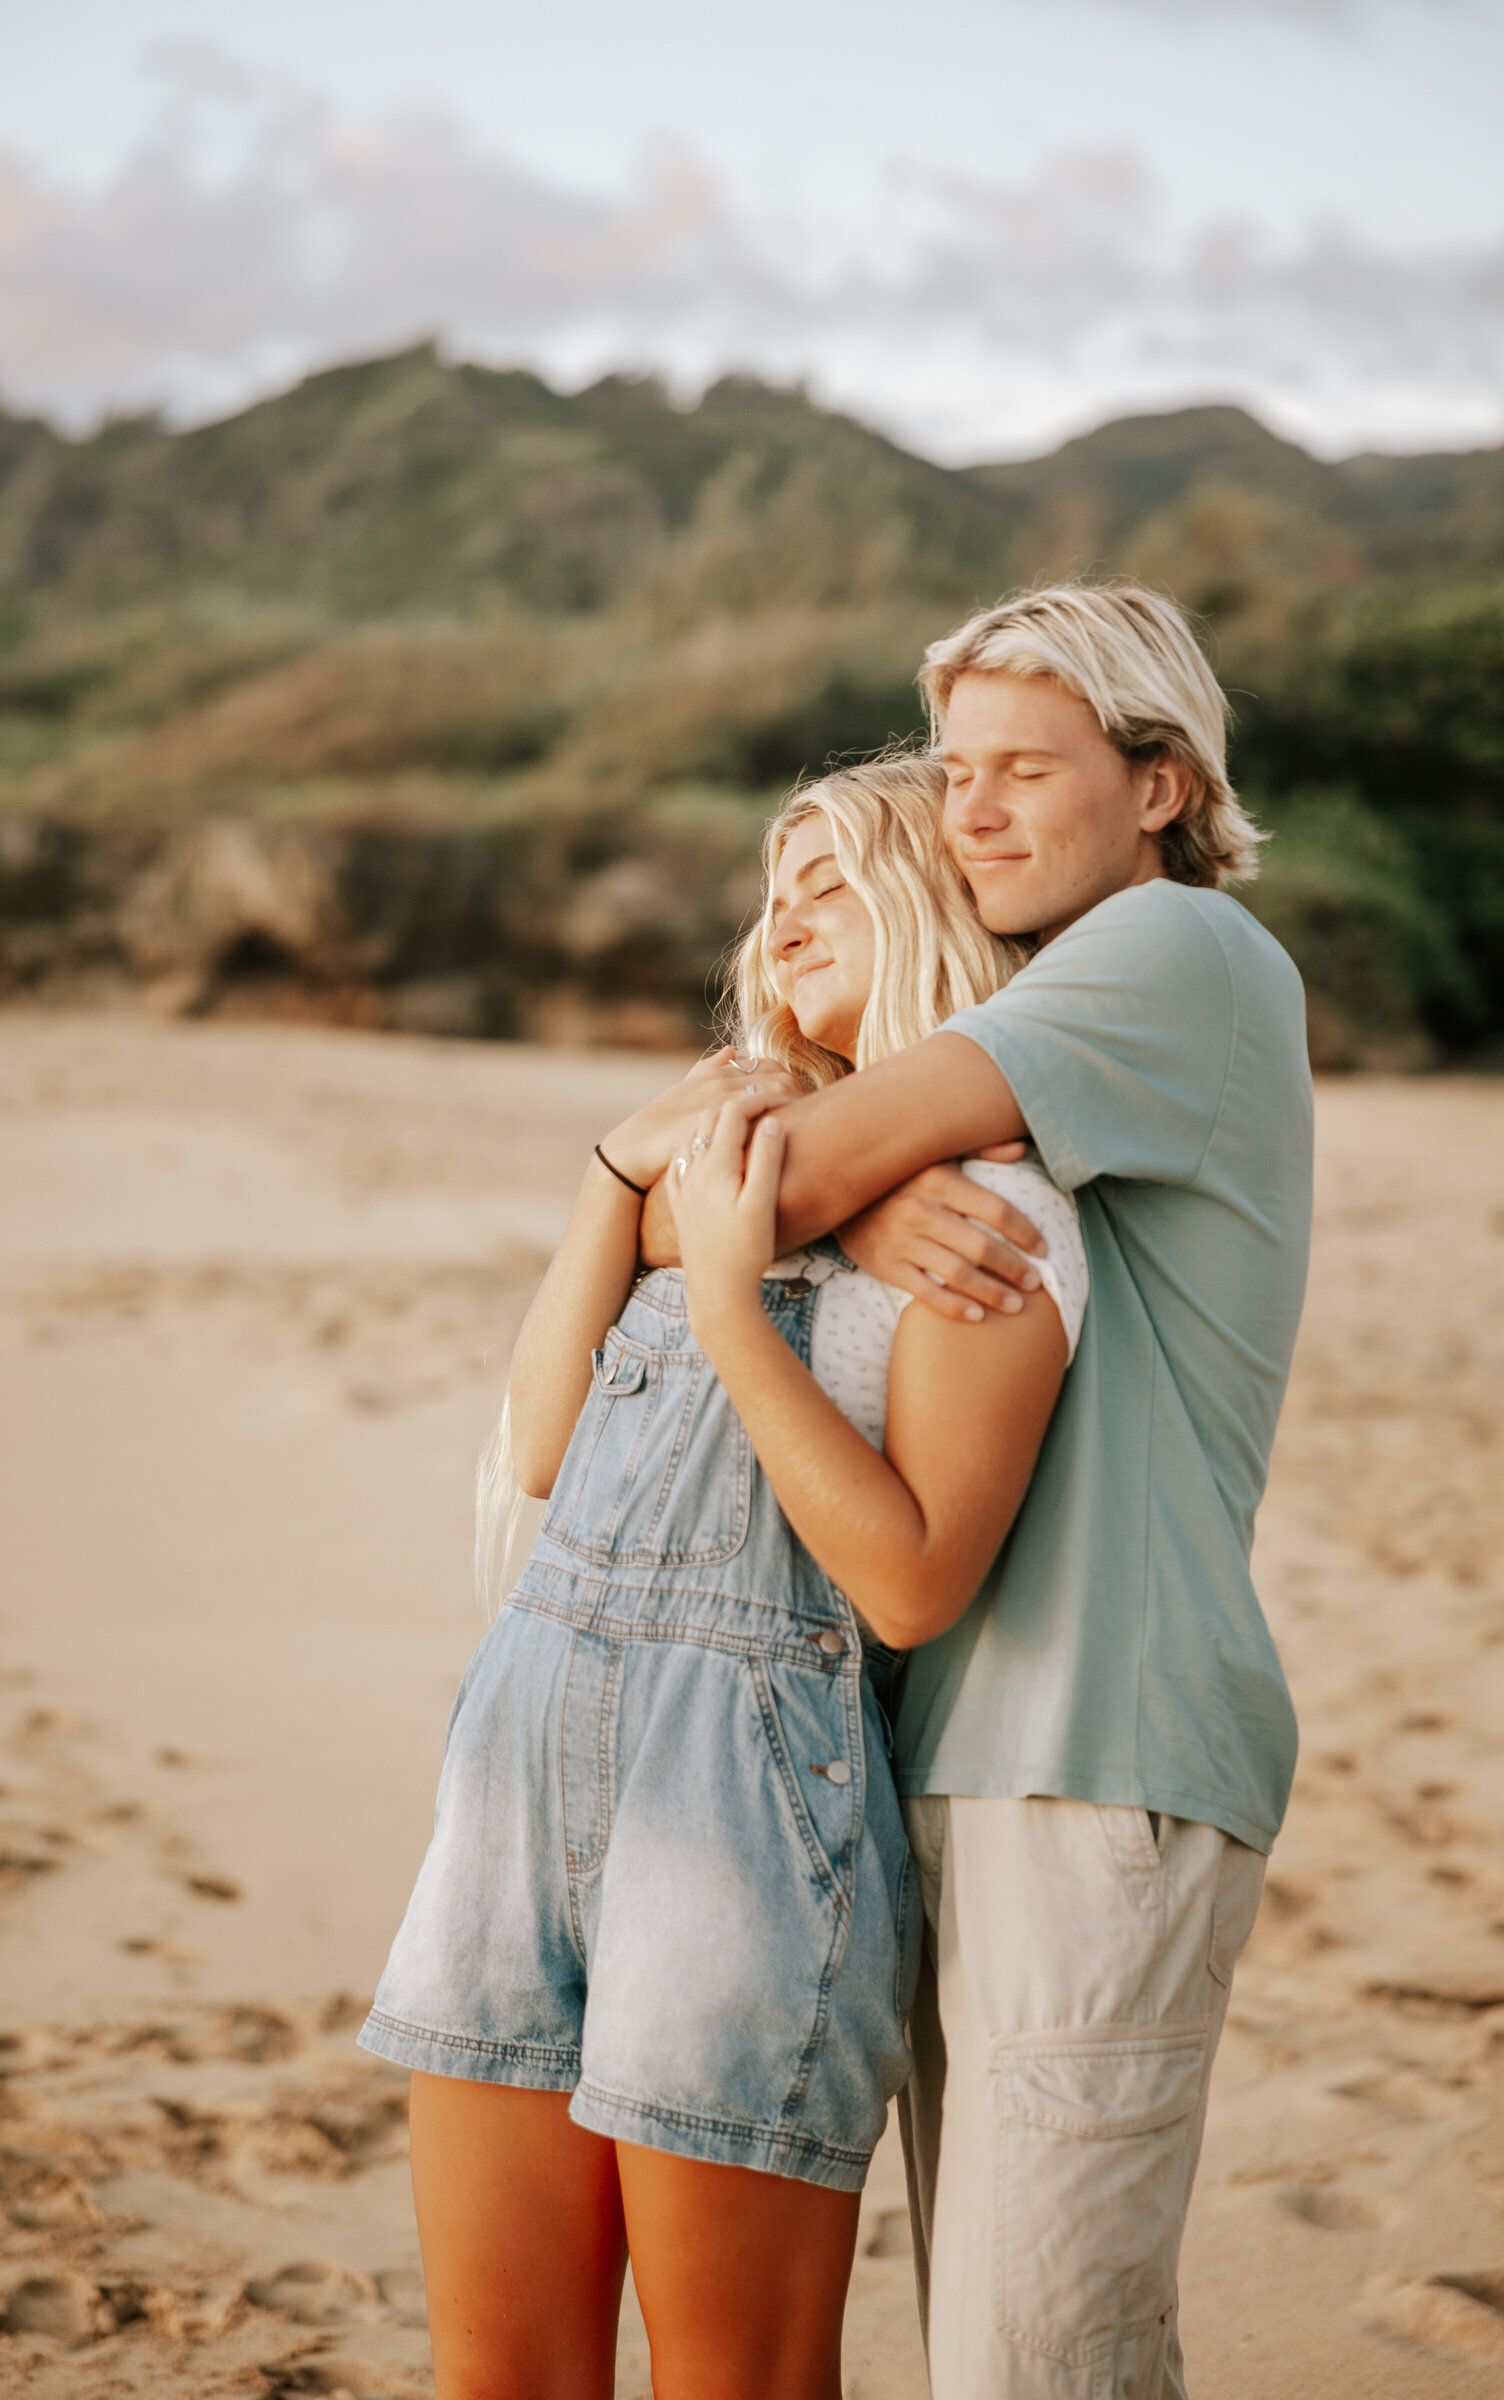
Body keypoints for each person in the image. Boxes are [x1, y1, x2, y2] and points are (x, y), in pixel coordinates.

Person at [639, 580, 1314, 2399]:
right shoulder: (1067, 1006)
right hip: (988, 1740)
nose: (980, 813)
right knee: (1003, 2343)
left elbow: (738, 1177)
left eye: (1031, 769)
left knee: (1037, 2364)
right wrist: (846, 1186)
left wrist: (825, 1180)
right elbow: (733, 1176)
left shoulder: (1174, 953)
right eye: (954, 778)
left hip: (1095, 1738)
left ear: (1161, 785)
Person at [359, 758, 1090, 2400]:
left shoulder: (993, 1227)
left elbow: (908, 1589)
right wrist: (617, 1184)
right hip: (519, 1760)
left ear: (931, 900)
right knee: (499, 2377)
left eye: (830, 880)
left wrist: (741, 1308)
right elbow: (540, 1449)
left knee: (731, 2384)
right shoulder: (715, 1143)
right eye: (776, 892)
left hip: (747, 1802)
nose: (784, 922)